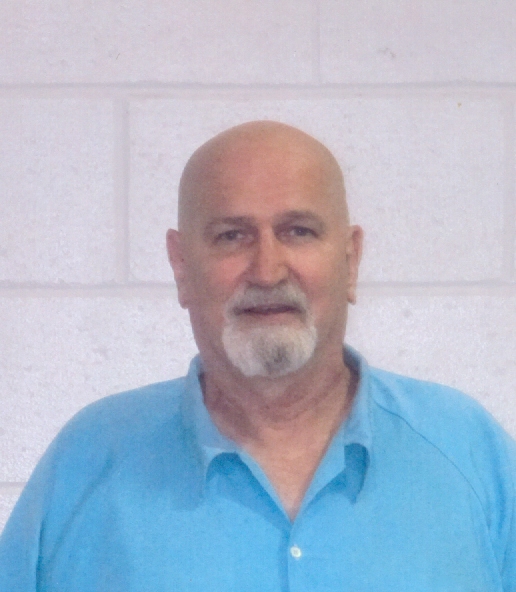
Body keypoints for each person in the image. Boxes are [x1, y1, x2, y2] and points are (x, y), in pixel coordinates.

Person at [0, 121, 515, 591]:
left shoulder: (471, 455)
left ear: (351, 258)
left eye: (298, 231)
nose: (267, 270)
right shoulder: (87, 465)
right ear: (182, 267)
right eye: (232, 236)